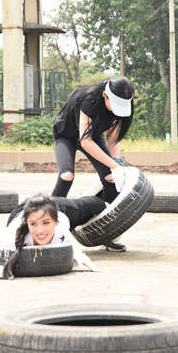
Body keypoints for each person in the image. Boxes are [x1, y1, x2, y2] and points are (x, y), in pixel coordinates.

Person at [51, 76, 135, 252]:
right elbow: (85, 141)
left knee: (111, 179)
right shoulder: (90, 98)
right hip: (66, 135)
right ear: (105, 96)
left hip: (94, 136)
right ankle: (49, 224)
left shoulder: (125, 105)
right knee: (66, 176)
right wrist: (114, 165)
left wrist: (117, 165)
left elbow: (112, 139)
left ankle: (106, 235)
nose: (119, 110)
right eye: (115, 104)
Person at [0, 193, 106, 280]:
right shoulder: (15, 236)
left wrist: (77, 253)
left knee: (91, 205)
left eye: (46, 224)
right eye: (34, 225)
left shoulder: (61, 223)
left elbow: (66, 235)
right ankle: (37, 217)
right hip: (23, 211)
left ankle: (103, 201)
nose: (40, 231)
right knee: (38, 217)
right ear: (28, 224)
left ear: (55, 223)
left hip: (54, 207)